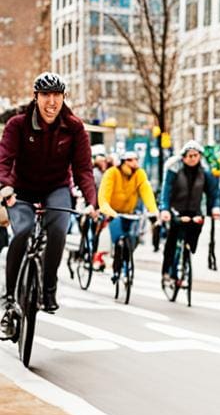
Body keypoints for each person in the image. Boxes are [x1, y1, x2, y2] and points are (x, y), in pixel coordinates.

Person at [0, 72, 98, 333]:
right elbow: (5, 160)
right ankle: (9, 299)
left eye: (56, 95)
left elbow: (83, 170)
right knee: (21, 231)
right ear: (36, 97)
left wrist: (91, 202)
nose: (51, 101)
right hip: (21, 190)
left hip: (57, 188)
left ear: (63, 97)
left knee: (58, 229)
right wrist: (5, 186)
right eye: (45, 95)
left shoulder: (74, 128)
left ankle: (49, 288)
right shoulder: (17, 125)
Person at [159, 140, 220, 288]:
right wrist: (165, 209)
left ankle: (185, 263)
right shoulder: (174, 169)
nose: (193, 158)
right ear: (184, 157)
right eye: (190, 155)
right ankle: (168, 272)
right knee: (173, 241)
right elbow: (166, 191)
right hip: (176, 210)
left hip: (194, 210)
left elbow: (213, 193)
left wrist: (215, 208)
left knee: (191, 242)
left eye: (196, 155)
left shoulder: (205, 170)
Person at [98, 150, 159, 283]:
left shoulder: (139, 174)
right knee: (115, 239)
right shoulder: (112, 173)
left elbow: (146, 192)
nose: (134, 163)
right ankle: (113, 265)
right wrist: (110, 212)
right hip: (113, 212)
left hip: (130, 213)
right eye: (130, 160)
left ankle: (126, 263)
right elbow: (103, 198)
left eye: (136, 159)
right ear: (122, 162)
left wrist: (153, 210)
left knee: (133, 240)